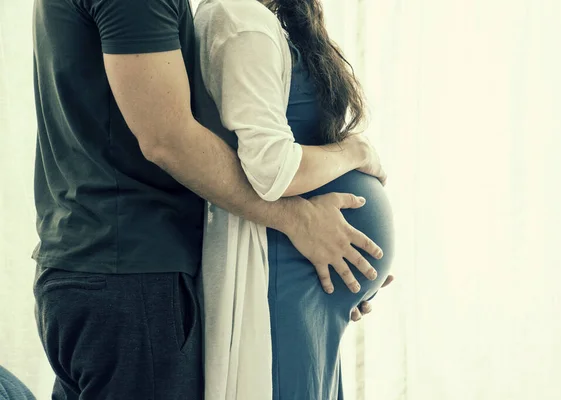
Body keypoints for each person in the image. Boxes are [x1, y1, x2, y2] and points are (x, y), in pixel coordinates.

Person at [31, 0, 391, 398]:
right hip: (129, 273)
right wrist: (302, 220)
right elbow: (169, 141)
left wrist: (345, 274)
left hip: (103, 267)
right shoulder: (226, 18)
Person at [194, 0, 396, 399]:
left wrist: (355, 282)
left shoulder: (274, 21)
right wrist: (355, 153)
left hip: (312, 281)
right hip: (282, 274)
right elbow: (272, 169)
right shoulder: (239, 19)